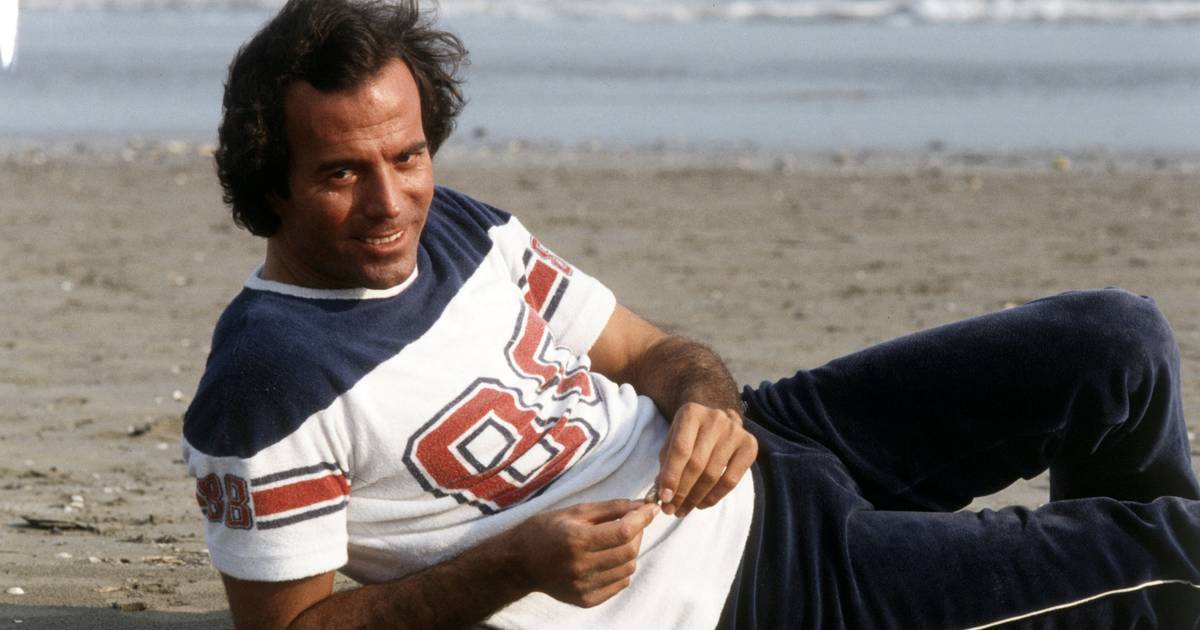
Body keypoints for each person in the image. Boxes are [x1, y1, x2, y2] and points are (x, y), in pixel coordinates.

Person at [181, 0, 1200, 628]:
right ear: (269, 178)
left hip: (769, 445)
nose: (391, 200)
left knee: (1118, 342)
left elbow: (649, 351)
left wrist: (707, 399)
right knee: (1167, 554)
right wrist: (513, 565)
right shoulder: (269, 380)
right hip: (747, 595)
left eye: (407, 156)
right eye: (341, 174)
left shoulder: (458, 227)